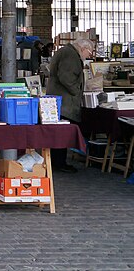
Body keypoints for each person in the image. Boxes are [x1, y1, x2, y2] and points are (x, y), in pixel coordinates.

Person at [46, 38, 96, 173]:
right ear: (82, 48)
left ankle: (57, 161)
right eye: (89, 52)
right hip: (65, 102)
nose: (89, 55)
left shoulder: (65, 52)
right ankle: (59, 162)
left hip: (60, 99)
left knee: (58, 133)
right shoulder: (71, 55)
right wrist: (77, 91)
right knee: (62, 134)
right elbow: (66, 77)